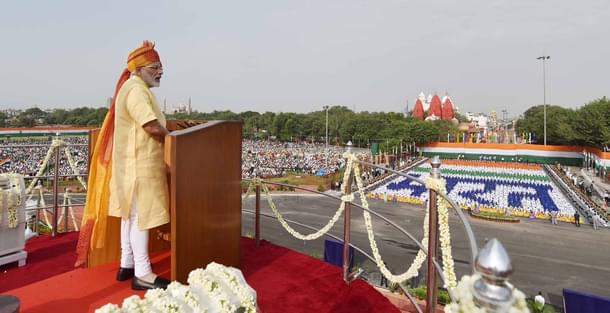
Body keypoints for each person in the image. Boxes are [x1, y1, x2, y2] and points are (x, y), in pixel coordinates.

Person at [74, 41, 170, 291]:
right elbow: (150, 125)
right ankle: (143, 273)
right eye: (155, 67)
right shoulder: (137, 90)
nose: (161, 72)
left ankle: (126, 263)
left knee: (130, 216)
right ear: (138, 69)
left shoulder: (131, 87)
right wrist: (173, 137)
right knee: (140, 217)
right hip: (139, 167)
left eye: (161, 67)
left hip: (130, 166)